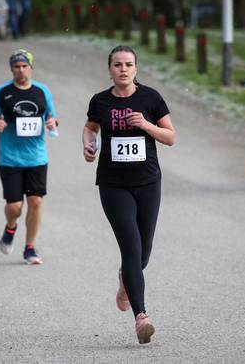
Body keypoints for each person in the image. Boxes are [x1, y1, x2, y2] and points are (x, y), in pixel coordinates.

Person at [82, 46, 176, 344]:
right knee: (132, 246)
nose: (123, 69)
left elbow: (171, 137)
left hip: (148, 182)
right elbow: (90, 127)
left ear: (136, 69)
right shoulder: (100, 101)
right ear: (109, 69)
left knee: (143, 250)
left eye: (129, 64)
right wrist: (88, 144)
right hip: (113, 184)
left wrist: (146, 125)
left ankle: (126, 278)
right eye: (117, 65)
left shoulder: (150, 98)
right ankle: (142, 317)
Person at [0, 49, 58, 265]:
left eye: (24, 66)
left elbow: (52, 117)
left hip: (37, 157)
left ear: (31, 68)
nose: (21, 70)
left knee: (35, 201)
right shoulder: (2, 92)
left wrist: (53, 123)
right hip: (10, 158)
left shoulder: (42, 91)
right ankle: (10, 226)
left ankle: (30, 248)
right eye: (17, 66)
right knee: (15, 207)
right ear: (11, 69)